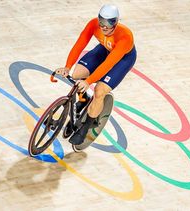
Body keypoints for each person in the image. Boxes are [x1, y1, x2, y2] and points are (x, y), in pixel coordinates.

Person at [55, 4, 137, 145]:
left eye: (109, 22)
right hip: (105, 49)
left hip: (123, 59)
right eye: (101, 21)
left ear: (116, 22)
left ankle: (86, 127)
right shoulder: (93, 24)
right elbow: (80, 44)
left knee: (99, 91)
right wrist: (67, 66)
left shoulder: (125, 36)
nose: (104, 26)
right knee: (77, 74)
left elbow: (109, 64)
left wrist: (89, 81)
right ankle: (84, 99)